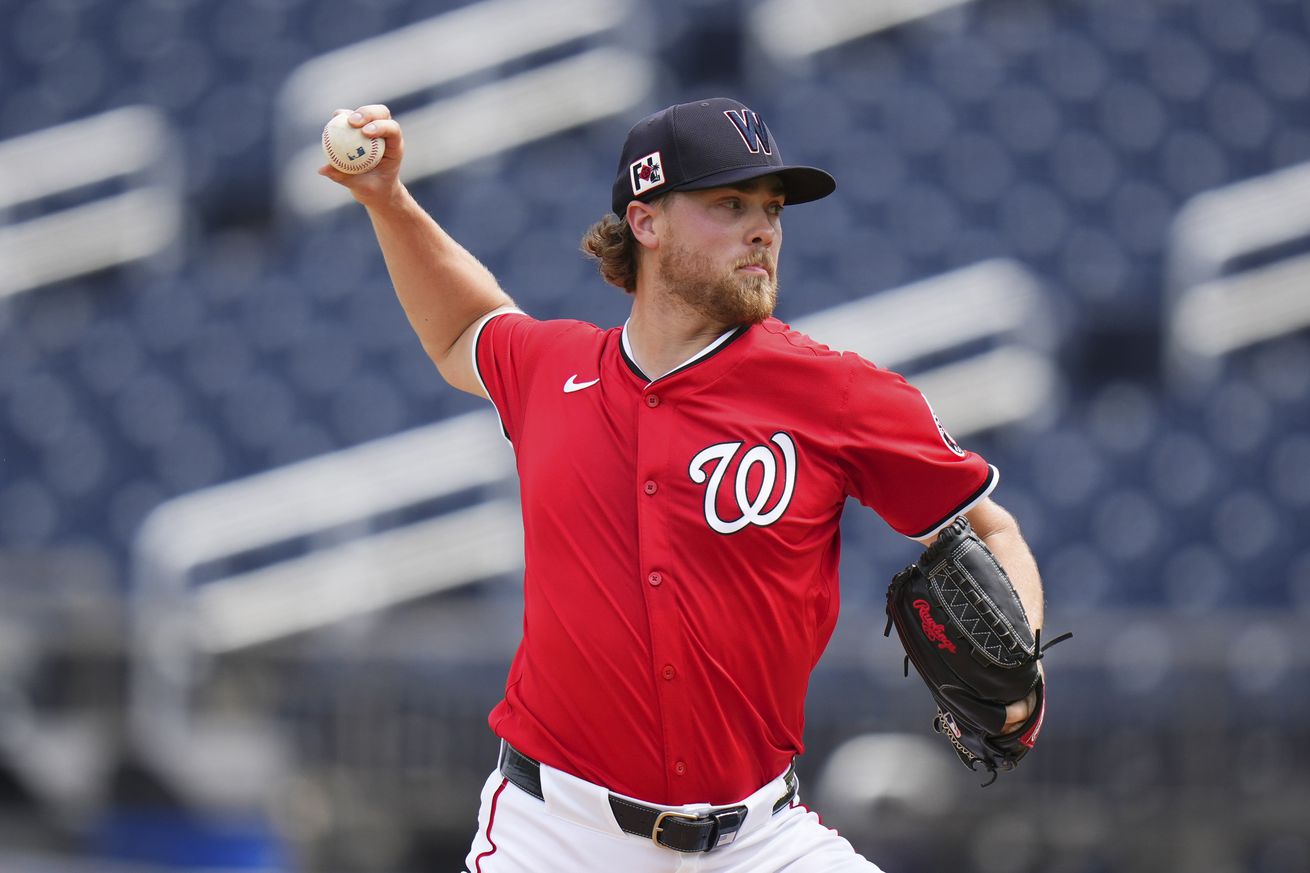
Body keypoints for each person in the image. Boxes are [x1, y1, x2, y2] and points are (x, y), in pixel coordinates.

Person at [321, 97, 1046, 872]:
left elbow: (987, 529)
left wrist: (1021, 667)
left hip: (759, 840)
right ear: (646, 221)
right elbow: (464, 327)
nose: (764, 227)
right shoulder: (553, 370)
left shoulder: (837, 393)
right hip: (555, 837)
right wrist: (387, 199)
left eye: (771, 208)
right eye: (730, 204)